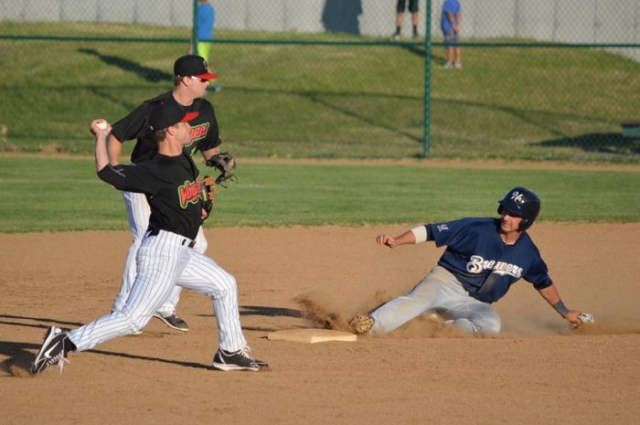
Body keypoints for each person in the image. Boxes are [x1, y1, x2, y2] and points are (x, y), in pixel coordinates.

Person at [30, 104, 268, 374]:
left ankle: (230, 351)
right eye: (183, 124)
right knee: (132, 319)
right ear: (169, 131)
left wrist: (197, 208)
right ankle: (64, 341)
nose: (191, 128)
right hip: (161, 252)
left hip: (182, 252)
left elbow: (181, 201)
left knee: (225, 285)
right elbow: (107, 173)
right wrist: (100, 137)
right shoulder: (151, 170)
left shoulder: (184, 160)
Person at [349, 187, 593, 335]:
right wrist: (397, 241)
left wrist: (564, 312)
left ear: (526, 220)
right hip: (445, 282)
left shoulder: (528, 253)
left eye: (513, 213)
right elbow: (432, 231)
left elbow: (543, 282)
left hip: (473, 303)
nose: (506, 216)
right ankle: (369, 325)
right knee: (418, 299)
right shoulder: (477, 228)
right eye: (505, 210)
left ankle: (434, 326)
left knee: (490, 325)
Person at [107, 55, 223, 332]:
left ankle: (163, 304)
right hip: (144, 178)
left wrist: (220, 159)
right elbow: (116, 134)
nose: (207, 83)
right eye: (202, 79)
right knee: (144, 240)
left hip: (177, 181)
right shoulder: (155, 109)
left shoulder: (205, 109)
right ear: (185, 79)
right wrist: (114, 173)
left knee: (197, 242)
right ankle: (123, 308)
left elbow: (209, 147)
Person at [193, 0, 222, 93]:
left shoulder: (199, 10)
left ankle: (206, 85)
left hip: (200, 39)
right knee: (201, 61)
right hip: (208, 38)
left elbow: (196, 27)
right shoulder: (210, 9)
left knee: (201, 62)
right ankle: (210, 83)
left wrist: (192, 42)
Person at [441, 0, 462, 69]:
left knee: (450, 45)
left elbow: (449, 14)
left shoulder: (447, 2)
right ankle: (458, 62)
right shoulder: (457, 2)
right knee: (456, 44)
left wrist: (453, 25)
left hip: (449, 27)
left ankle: (449, 62)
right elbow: (458, 14)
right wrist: (458, 25)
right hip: (455, 27)